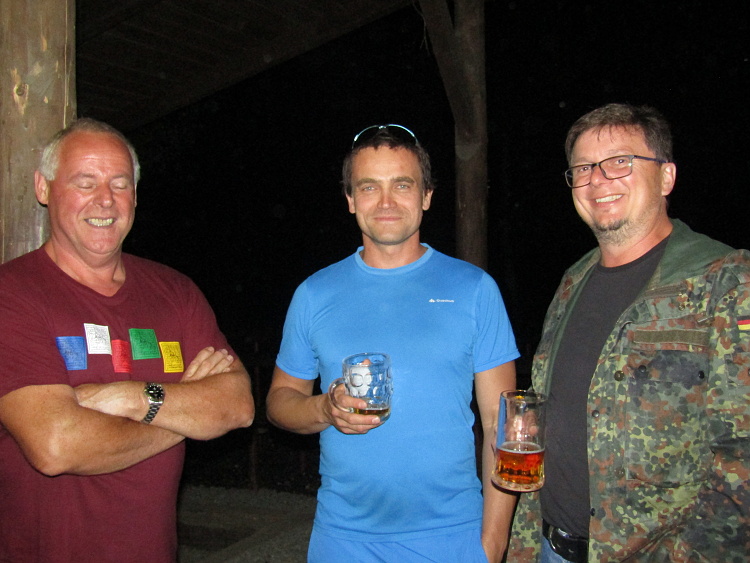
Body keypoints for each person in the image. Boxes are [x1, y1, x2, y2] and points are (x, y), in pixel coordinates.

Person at [0, 118, 255, 562]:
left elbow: (237, 406)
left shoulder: (175, 291)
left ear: (135, 195)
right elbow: (56, 446)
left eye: (120, 184)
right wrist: (184, 412)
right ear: (43, 188)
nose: (105, 199)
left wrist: (133, 397)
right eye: (85, 182)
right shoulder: (13, 293)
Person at [508, 103, 750, 562]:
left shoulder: (725, 281)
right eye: (583, 168)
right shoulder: (573, 282)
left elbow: (741, 459)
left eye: (620, 161)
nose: (598, 179)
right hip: (547, 546)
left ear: (666, 177)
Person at [266, 124, 520, 562]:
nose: (386, 202)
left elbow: (502, 421)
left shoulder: (475, 289)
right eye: (369, 187)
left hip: (452, 537)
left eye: (402, 185)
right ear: (350, 199)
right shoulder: (314, 294)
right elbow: (279, 401)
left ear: (426, 196)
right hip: (343, 540)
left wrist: (492, 545)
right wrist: (324, 409)